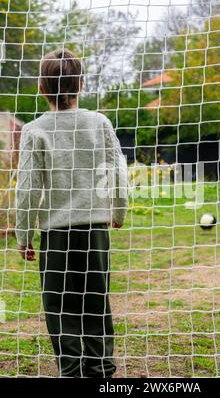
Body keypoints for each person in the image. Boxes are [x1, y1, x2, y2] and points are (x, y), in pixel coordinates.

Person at [15, 48, 129, 377]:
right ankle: (102, 370)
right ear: (81, 84)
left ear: (41, 87)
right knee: (96, 302)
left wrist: (24, 235)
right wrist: (118, 210)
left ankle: (71, 370)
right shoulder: (100, 122)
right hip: (94, 232)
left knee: (59, 307)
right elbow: (118, 172)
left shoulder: (34, 130)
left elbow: (27, 189)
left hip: (55, 236)